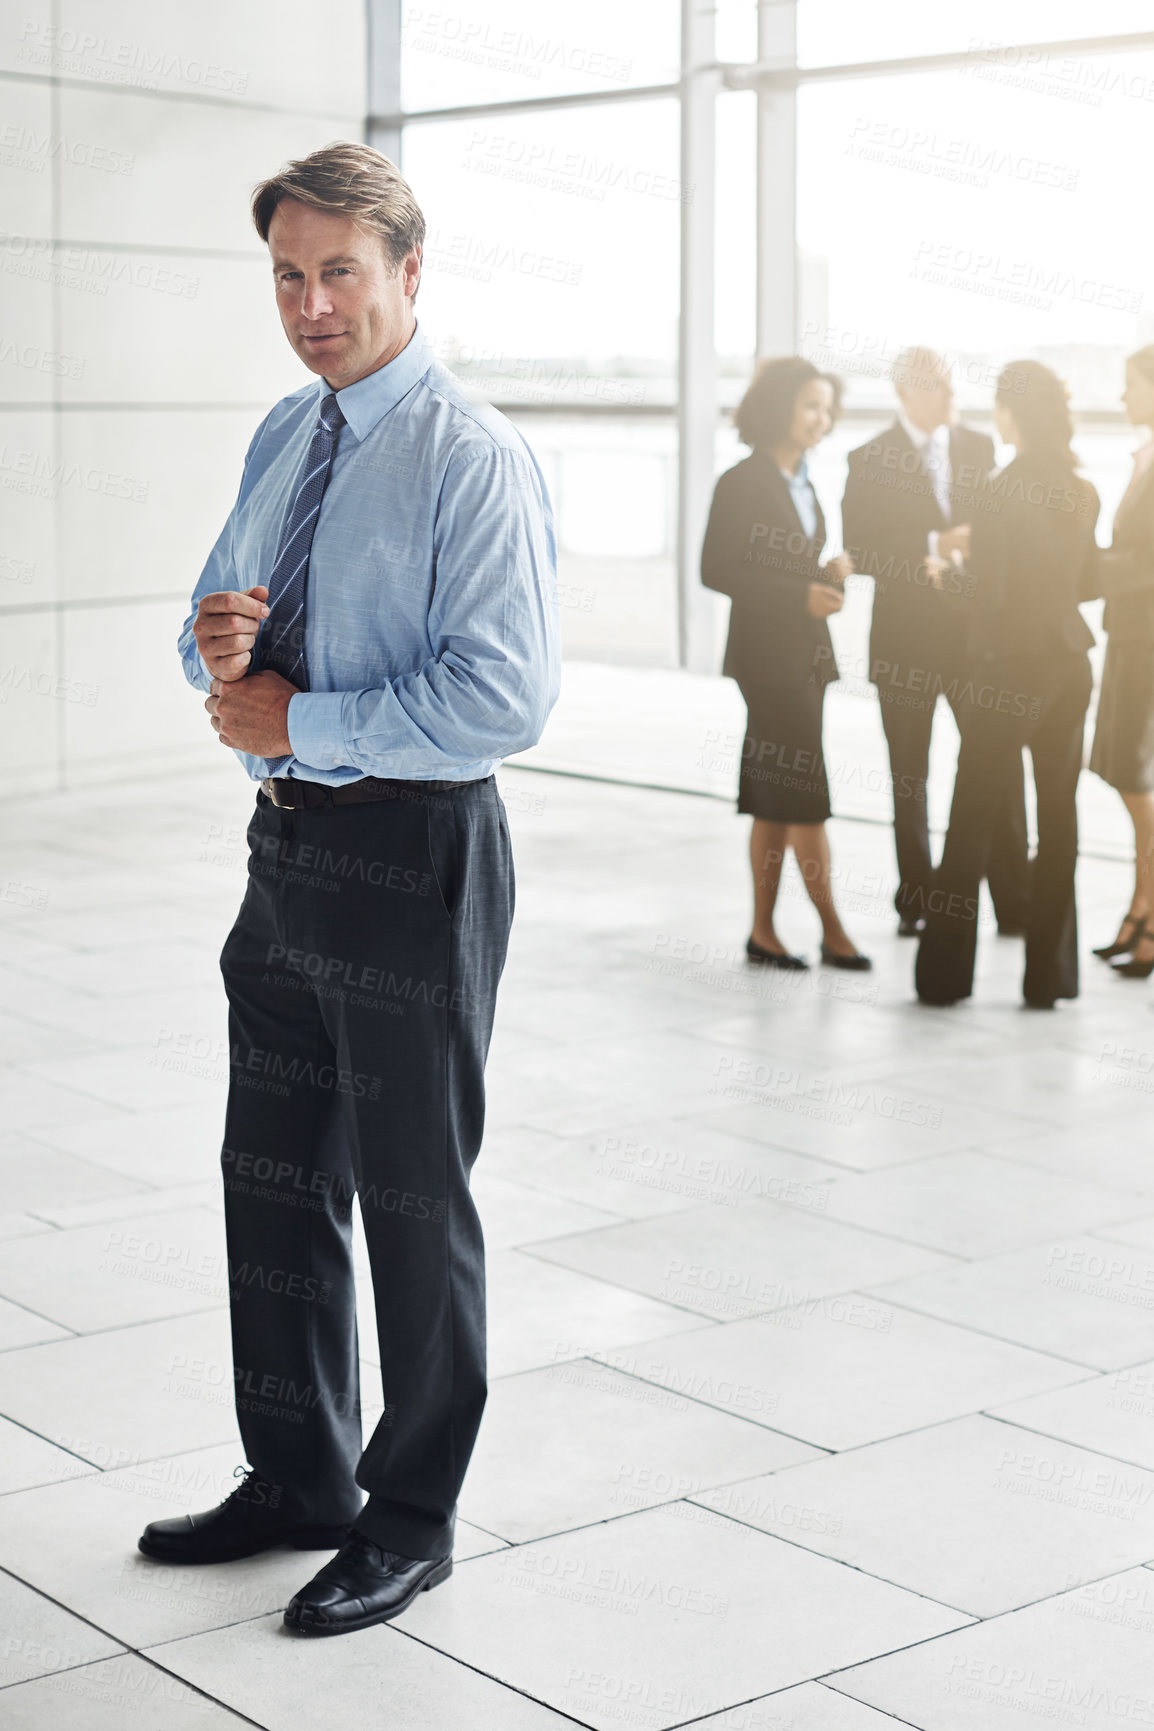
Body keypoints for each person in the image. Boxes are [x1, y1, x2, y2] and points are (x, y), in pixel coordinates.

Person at [140, 143, 559, 1637]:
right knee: (273, 1174)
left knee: (408, 1195)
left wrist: (295, 718)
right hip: (290, 851)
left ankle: (409, 1516)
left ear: (407, 274)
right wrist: (220, 646)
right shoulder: (285, 429)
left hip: (413, 853)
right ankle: (300, 1471)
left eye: (338, 273)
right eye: (286, 275)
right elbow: (202, 633)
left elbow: (503, 696)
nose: (310, 305)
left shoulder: (469, 455)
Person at [915, 361, 1099, 1009]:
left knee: (971, 819)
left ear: (1010, 413)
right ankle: (1049, 978)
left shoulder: (996, 488)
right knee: (1059, 817)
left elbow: (986, 596)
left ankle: (942, 980)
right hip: (1070, 666)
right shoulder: (1080, 491)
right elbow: (1083, 580)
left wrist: (944, 574)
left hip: (1007, 671)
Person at [842, 347, 1030, 936]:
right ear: (907, 393)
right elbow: (859, 549)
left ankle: (1012, 902)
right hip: (903, 645)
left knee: (994, 767)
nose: (953, 397)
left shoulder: (979, 447)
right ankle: (918, 902)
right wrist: (934, 542)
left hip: (977, 641)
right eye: (940, 388)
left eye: (953, 386)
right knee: (909, 778)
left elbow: (998, 535)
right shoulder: (868, 456)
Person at [702, 356, 870, 972]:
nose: (821, 420)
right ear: (779, 408)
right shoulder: (741, 481)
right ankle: (833, 930)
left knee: (776, 797)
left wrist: (823, 579)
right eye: (810, 406)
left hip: (807, 657)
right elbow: (716, 569)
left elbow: (784, 570)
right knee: (805, 795)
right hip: (766, 663)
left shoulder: (806, 481)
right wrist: (798, 593)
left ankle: (763, 932)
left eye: (828, 409)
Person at [1088, 345, 1154, 978]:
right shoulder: (1145, 457)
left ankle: (1150, 915)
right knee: (1127, 776)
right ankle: (1142, 905)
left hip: (1146, 642)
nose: (1123, 397)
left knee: (1138, 780)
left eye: (1130, 384)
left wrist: (1083, 563)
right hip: (1130, 637)